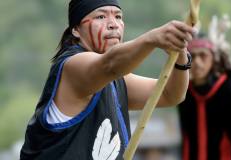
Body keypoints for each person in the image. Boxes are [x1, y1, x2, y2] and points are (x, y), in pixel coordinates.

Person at [20, 0, 194, 159]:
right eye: (101, 16)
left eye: (118, 16)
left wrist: (180, 54)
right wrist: (151, 39)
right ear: (76, 30)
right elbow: (109, 65)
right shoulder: (73, 67)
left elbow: (170, 94)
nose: (113, 24)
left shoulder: (118, 79)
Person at [178, 15, 231, 160]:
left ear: (213, 59)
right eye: (192, 56)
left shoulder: (229, 92)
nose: (197, 62)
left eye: (203, 56)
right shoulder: (183, 93)